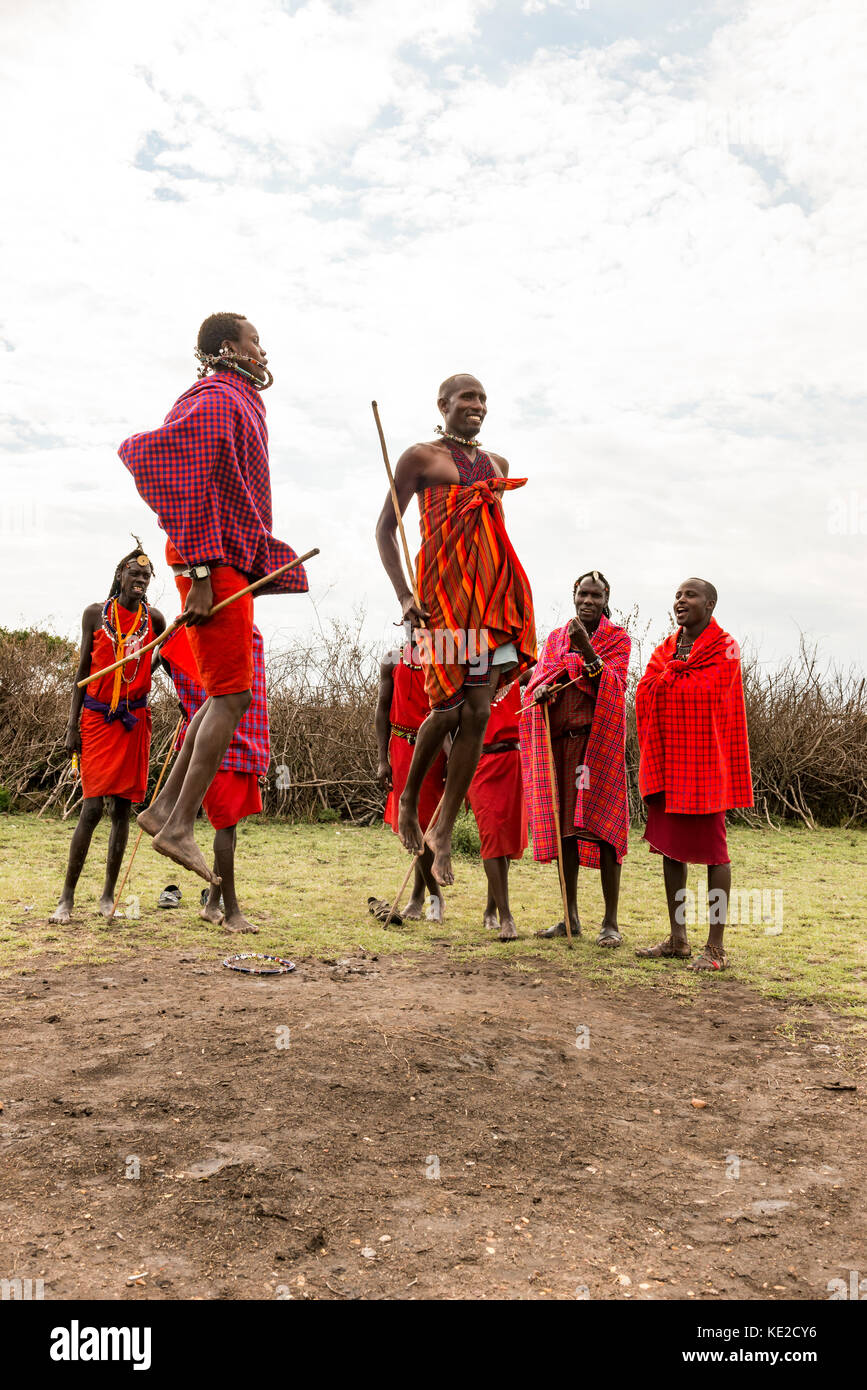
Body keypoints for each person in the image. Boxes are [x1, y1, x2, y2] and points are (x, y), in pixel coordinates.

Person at [118, 312, 308, 884]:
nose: (262, 349)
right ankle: (178, 828)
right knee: (232, 698)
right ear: (228, 347)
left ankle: (160, 811)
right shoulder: (217, 396)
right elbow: (173, 472)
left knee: (220, 696)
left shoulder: (237, 399)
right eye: (255, 340)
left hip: (220, 561)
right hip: (211, 563)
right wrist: (199, 570)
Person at [375, 373, 536, 886]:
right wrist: (405, 596)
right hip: (441, 601)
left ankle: (442, 826)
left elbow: (489, 536)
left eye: (484, 398)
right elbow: (385, 528)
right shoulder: (420, 458)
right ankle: (408, 800)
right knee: (445, 709)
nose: (478, 405)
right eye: (468, 397)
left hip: (487, 604)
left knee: (479, 711)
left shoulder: (496, 466)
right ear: (442, 404)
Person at [634, 578, 753, 971]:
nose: (680, 601)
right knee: (671, 850)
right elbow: (645, 689)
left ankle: (715, 947)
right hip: (670, 764)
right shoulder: (667, 648)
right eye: (677, 595)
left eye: (690, 595)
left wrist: (672, 679)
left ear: (711, 603)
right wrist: (671, 677)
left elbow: (709, 694)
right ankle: (678, 938)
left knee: (715, 855)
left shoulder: (725, 647)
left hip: (705, 767)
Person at [50, 545, 165, 924]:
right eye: (134, 574)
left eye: (146, 577)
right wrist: (71, 727)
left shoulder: (155, 620)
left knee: (121, 810)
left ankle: (107, 895)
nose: (140, 581)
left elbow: (165, 658)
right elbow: (81, 673)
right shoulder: (95, 616)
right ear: (120, 576)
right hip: (97, 721)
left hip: (134, 721)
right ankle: (66, 898)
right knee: (92, 807)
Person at [520, 572, 630, 946]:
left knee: (603, 830)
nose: (588, 601)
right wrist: (542, 690)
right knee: (566, 828)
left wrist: (586, 650)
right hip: (560, 746)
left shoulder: (618, 639)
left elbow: (613, 686)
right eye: (582, 594)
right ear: (574, 595)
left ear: (605, 598)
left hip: (597, 745)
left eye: (595, 596)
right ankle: (570, 917)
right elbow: (536, 681)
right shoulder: (554, 639)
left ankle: (610, 923)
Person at [163, 626, 269, 934]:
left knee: (231, 825)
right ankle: (232, 912)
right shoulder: (199, 630)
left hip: (245, 738)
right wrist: (186, 705)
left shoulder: (244, 628)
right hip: (218, 743)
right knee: (225, 825)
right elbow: (174, 664)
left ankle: (212, 905)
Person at [373, 643, 447, 922]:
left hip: (433, 748)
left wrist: (452, 756)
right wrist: (382, 759)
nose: (415, 626)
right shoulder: (392, 659)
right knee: (411, 822)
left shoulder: (443, 657)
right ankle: (423, 896)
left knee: (426, 823)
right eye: (410, 620)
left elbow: (451, 711)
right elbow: (382, 710)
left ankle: (431, 896)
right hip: (401, 748)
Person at [467, 677, 528, 942]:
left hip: (513, 761)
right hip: (479, 762)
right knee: (491, 836)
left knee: (506, 841)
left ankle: (491, 909)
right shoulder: (467, 678)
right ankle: (506, 917)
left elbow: (539, 672)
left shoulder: (514, 675)